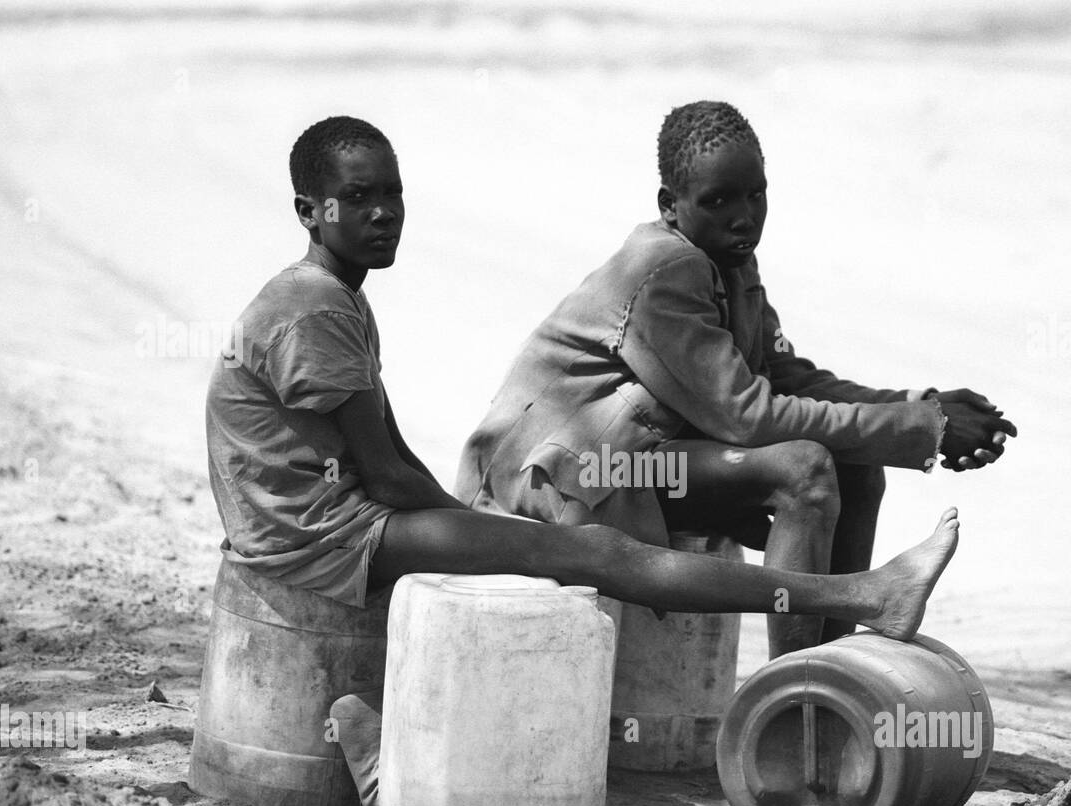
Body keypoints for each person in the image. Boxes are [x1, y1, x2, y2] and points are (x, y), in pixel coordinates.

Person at [204, 115, 961, 645]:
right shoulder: (312, 310)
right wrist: (485, 538)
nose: (382, 214)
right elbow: (388, 476)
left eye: (392, 194)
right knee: (597, 556)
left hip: (338, 525)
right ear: (309, 210)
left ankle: (843, 636)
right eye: (359, 198)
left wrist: (912, 410)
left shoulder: (333, 297)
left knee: (613, 550)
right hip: (321, 545)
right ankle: (862, 601)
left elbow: (389, 462)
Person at [456, 100, 1015, 656]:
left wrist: (923, 406)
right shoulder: (666, 271)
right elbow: (747, 415)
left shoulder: (730, 260)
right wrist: (925, 427)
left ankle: (831, 668)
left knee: (857, 468)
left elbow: (788, 377)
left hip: (639, 461)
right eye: (717, 201)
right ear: (669, 206)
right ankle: (793, 690)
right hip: (564, 477)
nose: (742, 215)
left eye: (755, 193)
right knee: (804, 469)